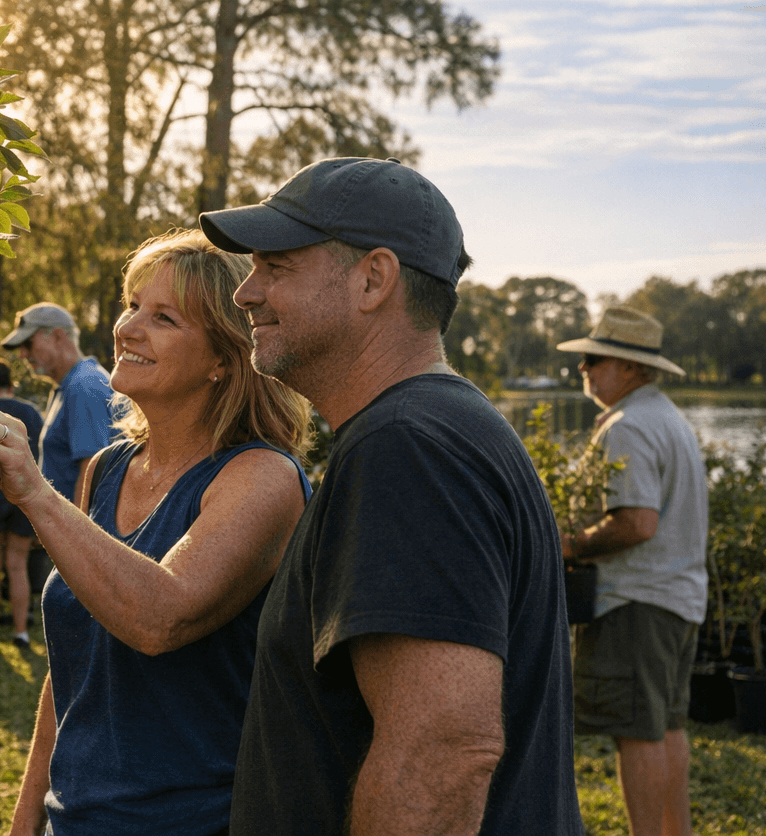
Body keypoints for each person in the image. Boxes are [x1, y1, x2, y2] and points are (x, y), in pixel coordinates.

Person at [198, 156, 582, 836]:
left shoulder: (410, 448)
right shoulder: (435, 429)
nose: (245, 293)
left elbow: (442, 756)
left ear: (374, 279)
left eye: (277, 266)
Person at [0, 229, 313, 836]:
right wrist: (26, 820)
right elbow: (72, 675)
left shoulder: (262, 477)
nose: (128, 328)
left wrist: (33, 491)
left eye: (163, 317)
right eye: (133, 305)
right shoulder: (106, 470)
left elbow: (160, 618)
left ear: (224, 358)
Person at [557, 307, 707, 836]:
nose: (584, 371)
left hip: (636, 601)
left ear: (629, 366)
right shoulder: (670, 418)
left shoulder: (630, 427)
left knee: (636, 732)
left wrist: (568, 545)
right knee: (666, 727)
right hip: (678, 599)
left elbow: (638, 523)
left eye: (593, 360)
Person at [0, 302, 116, 501]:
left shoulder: (83, 386)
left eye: (28, 344)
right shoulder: (71, 384)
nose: (23, 355)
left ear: (58, 336)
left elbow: (92, 470)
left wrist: (76, 532)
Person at [0, 357, 46, 648]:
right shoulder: (31, 412)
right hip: (22, 494)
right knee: (18, 564)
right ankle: (21, 632)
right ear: (10, 382)